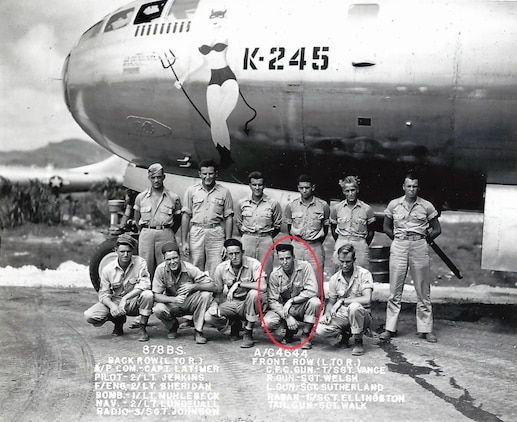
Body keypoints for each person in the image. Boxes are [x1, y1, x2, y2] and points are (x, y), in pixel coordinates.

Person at [380, 172, 442, 343]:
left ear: (418, 188)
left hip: (419, 246)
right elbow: (386, 227)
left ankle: (426, 329)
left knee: (423, 290)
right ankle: (390, 328)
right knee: (395, 289)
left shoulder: (426, 206)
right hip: (399, 245)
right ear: (403, 187)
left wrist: (423, 240)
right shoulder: (394, 204)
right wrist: (399, 239)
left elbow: (437, 229)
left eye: (414, 186)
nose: (411, 189)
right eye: (409, 186)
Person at [175, 9, 239, 168]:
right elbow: (200, 63)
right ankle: (224, 156)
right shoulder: (203, 38)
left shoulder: (229, 35)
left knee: (220, 119)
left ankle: (226, 156)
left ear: (224, 19)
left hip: (228, 76)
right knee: (215, 121)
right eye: (213, 17)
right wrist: (183, 79)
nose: (216, 19)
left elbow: (236, 57)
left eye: (219, 16)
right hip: (213, 78)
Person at [84, 233, 153, 342]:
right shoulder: (108, 269)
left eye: (128, 251)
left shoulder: (140, 262)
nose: (125, 255)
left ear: (132, 251)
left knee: (148, 295)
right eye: (122, 251)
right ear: (116, 251)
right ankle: (118, 321)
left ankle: (142, 327)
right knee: (89, 315)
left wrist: (126, 298)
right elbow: (103, 294)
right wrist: (112, 307)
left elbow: (145, 284)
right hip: (116, 301)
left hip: (134, 301)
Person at [205, 238, 267, 348]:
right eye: (231, 254)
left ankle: (248, 332)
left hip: (248, 303)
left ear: (243, 252)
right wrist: (214, 305)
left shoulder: (254, 264)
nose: (234, 257)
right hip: (232, 303)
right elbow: (218, 293)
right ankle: (231, 325)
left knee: (254, 293)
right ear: (226, 254)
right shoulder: (221, 268)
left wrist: (239, 284)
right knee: (209, 316)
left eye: (237, 253)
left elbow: (263, 286)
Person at [152, 241, 218, 344]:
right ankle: (172, 326)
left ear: (180, 257)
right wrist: (173, 299)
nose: (172, 262)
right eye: (168, 259)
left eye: (175, 258)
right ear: (164, 259)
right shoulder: (160, 270)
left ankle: (198, 331)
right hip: (172, 303)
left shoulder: (190, 268)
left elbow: (213, 286)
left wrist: (194, 286)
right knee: (158, 309)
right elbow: (156, 295)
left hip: (189, 302)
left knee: (205, 295)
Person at [316, 244, 373, 356]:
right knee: (321, 328)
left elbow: (367, 299)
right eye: (342, 261)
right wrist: (327, 313)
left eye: (348, 262)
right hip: (344, 314)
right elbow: (331, 301)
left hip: (362, 315)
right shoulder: (334, 278)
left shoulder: (364, 274)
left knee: (354, 307)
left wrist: (343, 301)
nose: (344, 265)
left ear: (354, 260)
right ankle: (345, 333)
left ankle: (358, 340)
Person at [181, 159, 234, 278]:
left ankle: (216, 290)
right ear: (199, 174)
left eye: (210, 173)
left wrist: (228, 242)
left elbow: (229, 218)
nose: (207, 177)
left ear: (216, 174)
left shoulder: (224, 192)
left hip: (216, 232)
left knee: (217, 267)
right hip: (196, 232)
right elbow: (186, 216)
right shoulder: (191, 191)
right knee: (195, 267)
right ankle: (196, 290)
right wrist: (184, 241)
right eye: (204, 174)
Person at [263, 244, 320, 349]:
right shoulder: (275, 275)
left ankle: (305, 334)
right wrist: (287, 317)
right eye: (281, 259)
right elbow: (273, 301)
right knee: (267, 323)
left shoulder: (305, 267)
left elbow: (312, 290)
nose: (285, 262)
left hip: (301, 306)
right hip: (284, 309)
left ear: (293, 257)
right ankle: (289, 331)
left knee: (315, 302)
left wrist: (292, 300)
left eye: (288, 258)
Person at [133, 163, 181, 278]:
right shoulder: (141, 197)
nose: (156, 180)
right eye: (153, 177)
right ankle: (146, 288)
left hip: (165, 233)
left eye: (159, 177)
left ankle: (166, 289)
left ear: (164, 177)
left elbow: (178, 219)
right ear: (149, 178)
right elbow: (137, 219)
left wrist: (167, 231)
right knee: (144, 267)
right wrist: (147, 230)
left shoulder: (173, 197)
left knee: (167, 266)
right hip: (147, 234)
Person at [235, 171, 282, 277]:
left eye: (260, 185)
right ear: (250, 186)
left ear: (264, 186)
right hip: (247, 239)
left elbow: (277, 225)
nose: (257, 188)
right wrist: (248, 236)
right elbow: (238, 223)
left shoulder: (273, 203)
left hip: (265, 240)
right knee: (246, 270)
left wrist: (266, 236)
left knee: (265, 271)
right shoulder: (242, 203)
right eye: (254, 185)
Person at [284, 174, 330, 278]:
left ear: (313, 187)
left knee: (316, 278)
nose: (304, 191)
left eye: (307, 188)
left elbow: (325, 228)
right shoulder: (291, 206)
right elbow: (289, 227)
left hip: (315, 247)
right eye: (301, 188)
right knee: (296, 278)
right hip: (297, 247)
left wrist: (315, 241)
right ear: (298, 188)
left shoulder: (323, 206)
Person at [330, 175, 375, 271]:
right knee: (339, 270)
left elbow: (371, 231)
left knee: (361, 272)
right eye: (347, 191)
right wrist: (340, 241)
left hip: (359, 243)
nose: (350, 193)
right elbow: (333, 229)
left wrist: (362, 243)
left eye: (352, 190)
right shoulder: (337, 208)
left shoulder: (366, 209)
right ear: (343, 191)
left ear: (357, 190)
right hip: (342, 241)